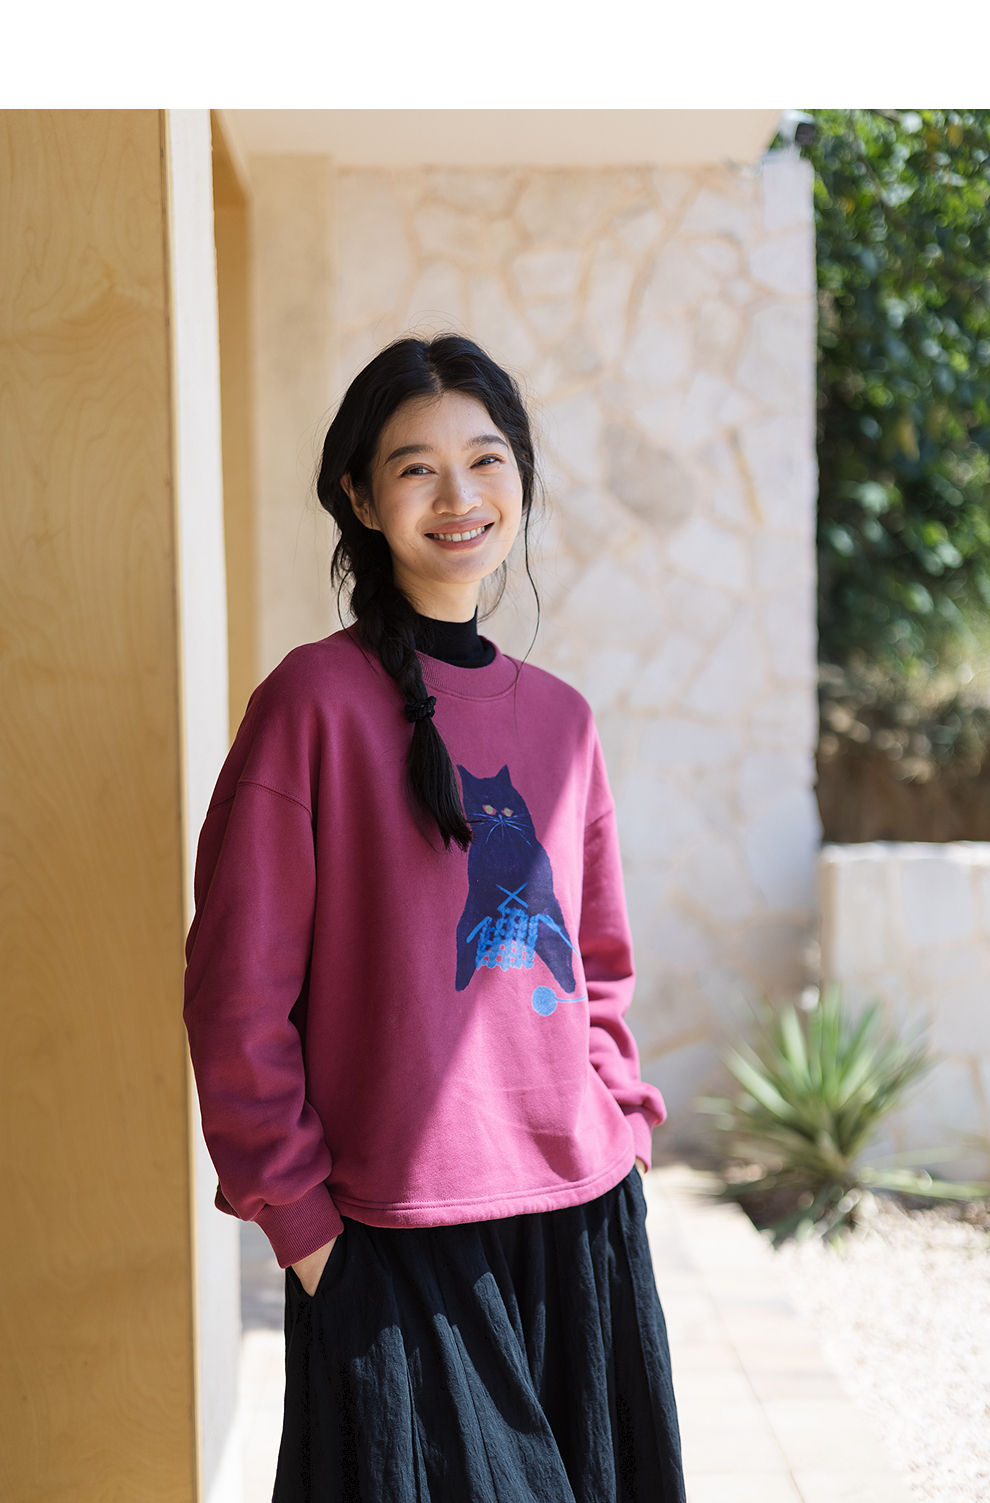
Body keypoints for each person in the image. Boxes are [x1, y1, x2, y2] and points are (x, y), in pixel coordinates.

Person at [183, 333, 687, 1502]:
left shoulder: (562, 720)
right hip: (387, 1234)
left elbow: (598, 963)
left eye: (486, 459)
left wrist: (623, 1125)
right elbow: (234, 994)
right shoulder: (310, 704)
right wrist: (304, 1228)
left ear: (521, 481)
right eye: (416, 468)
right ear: (360, 498)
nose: (459, 496)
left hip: (579, 1219)